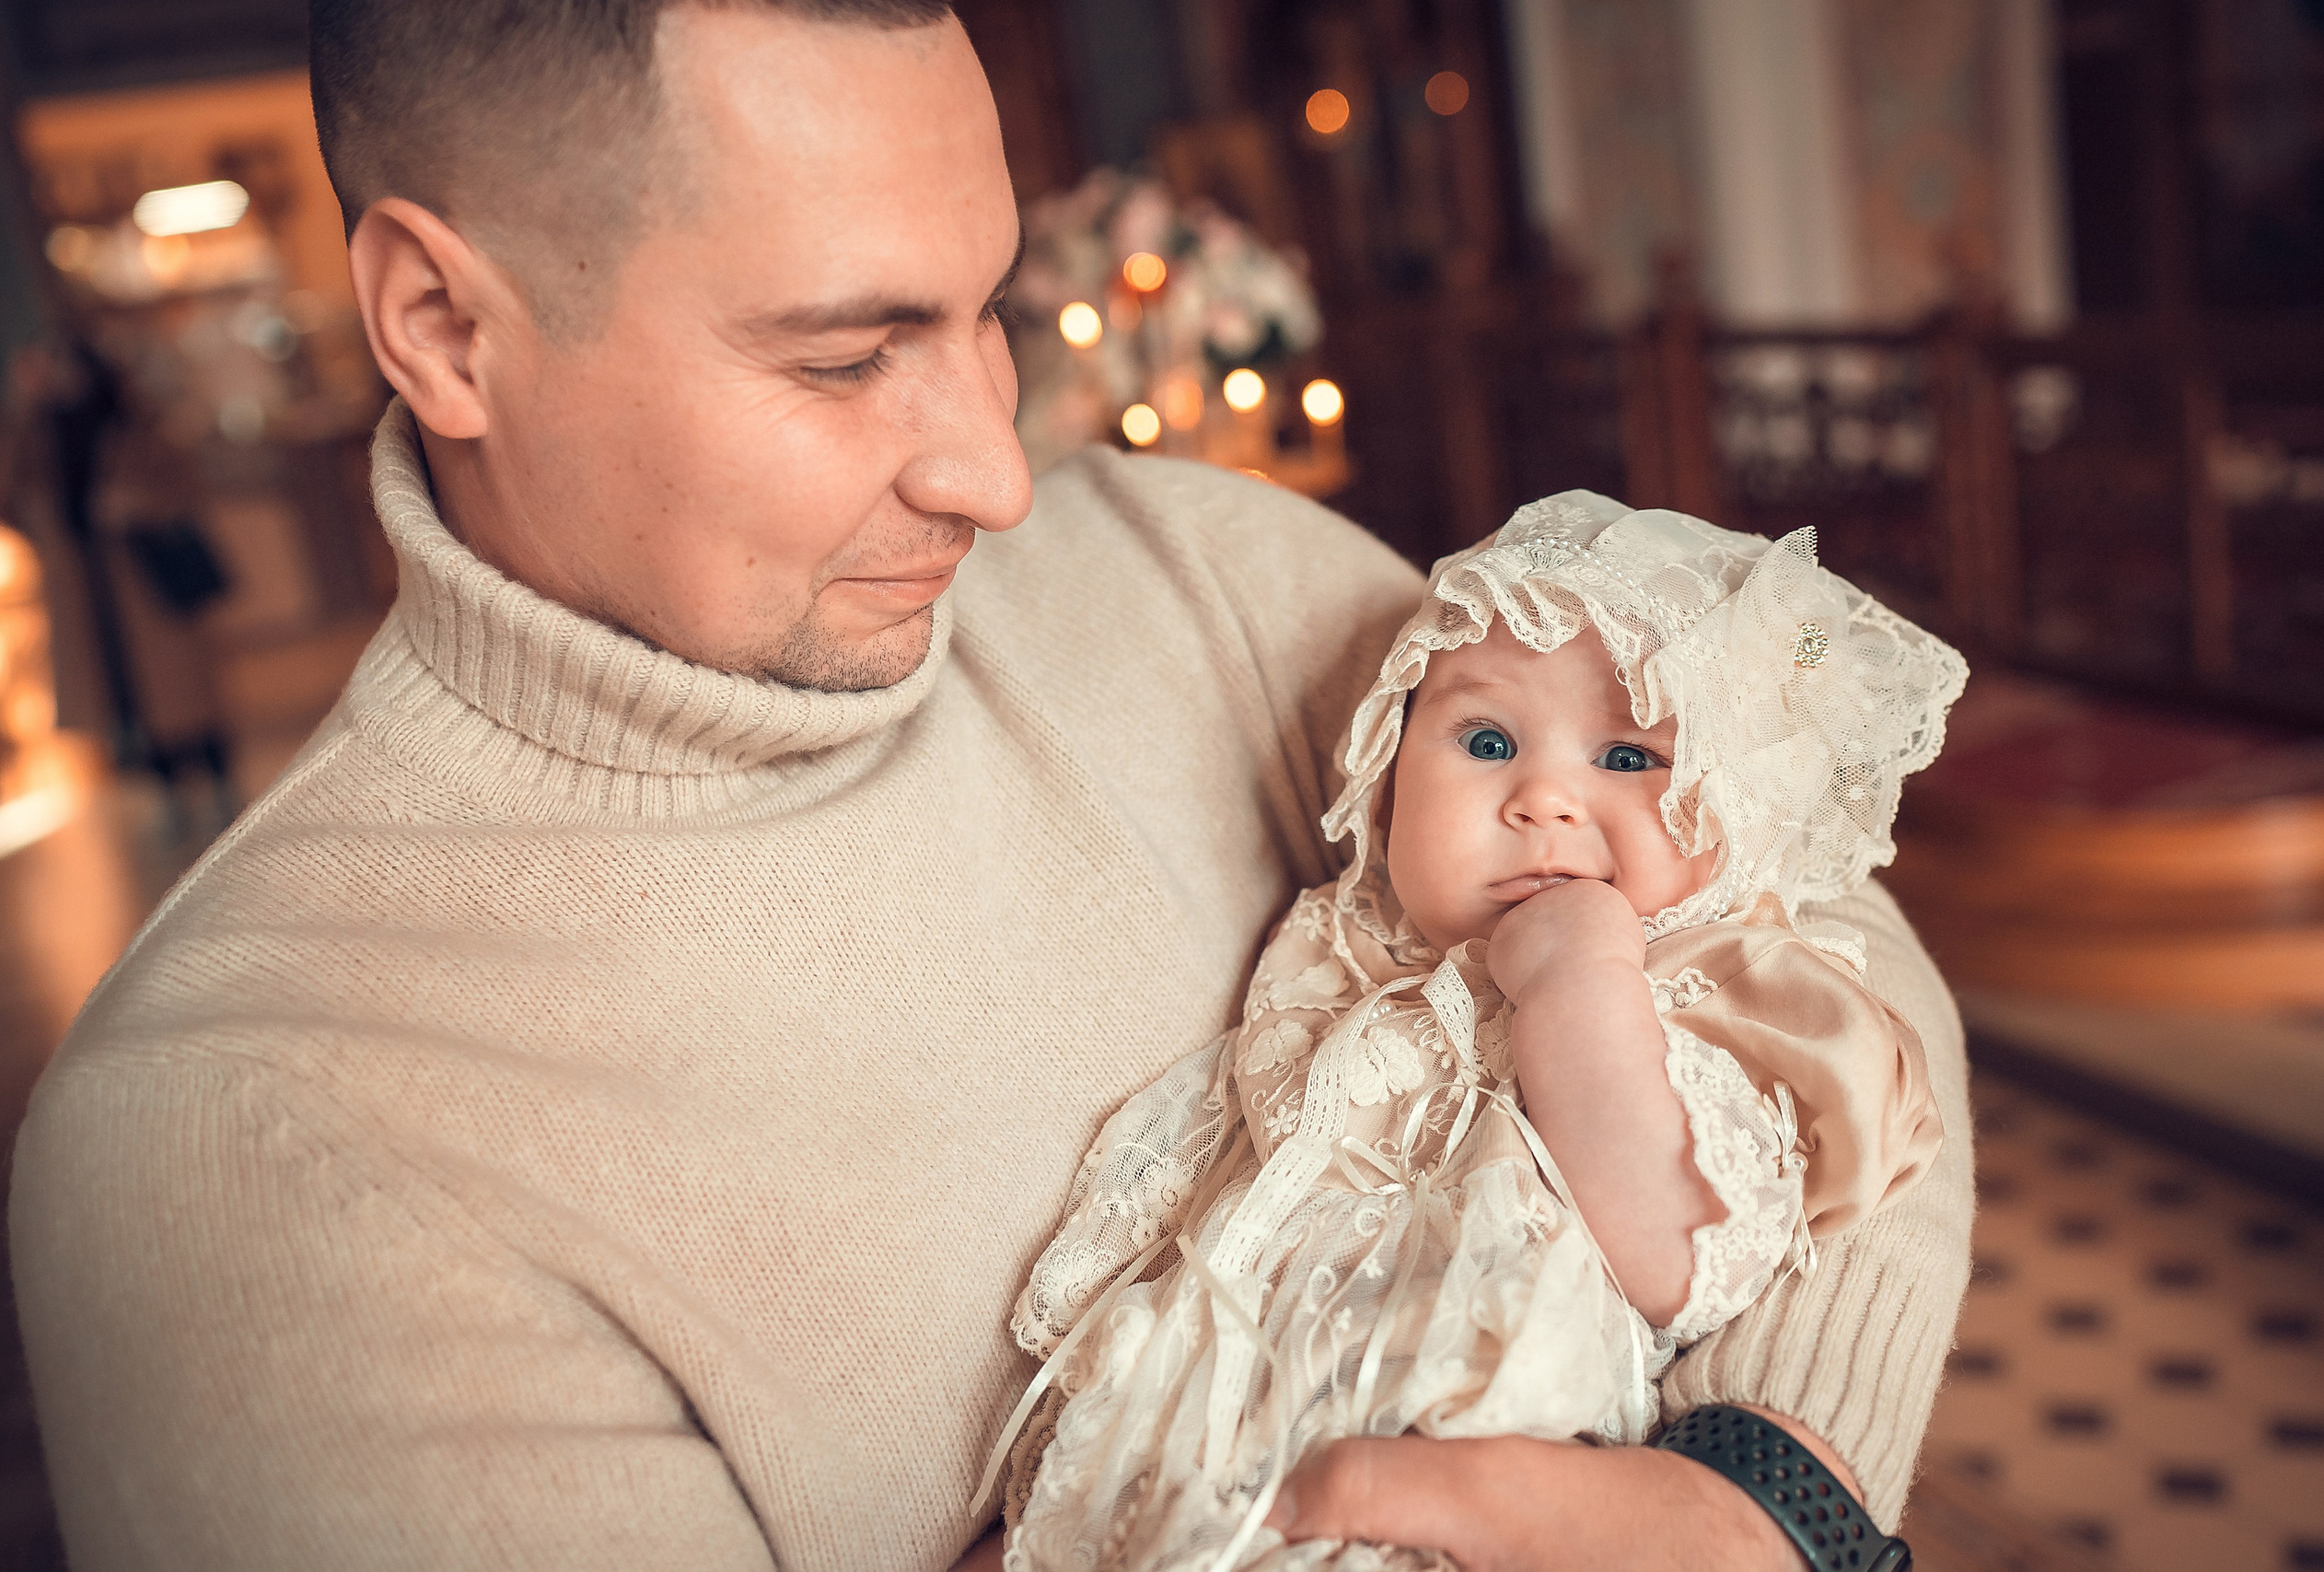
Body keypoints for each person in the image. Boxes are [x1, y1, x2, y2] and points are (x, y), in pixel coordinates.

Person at [7, 4, 1974, 1569]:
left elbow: (1812, 923)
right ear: (443, 324)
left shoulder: (1195, 569)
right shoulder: (245, 1147)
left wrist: (1769, 1480)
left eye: (986, 315)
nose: (994, 471)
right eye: (848, 357)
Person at [995, 499, 1961, 1571]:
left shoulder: (1716, 986)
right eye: (1487, 742)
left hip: (1488, 1440)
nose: (1544, 798)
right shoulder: (1349, 941)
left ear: (1742, 809)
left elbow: (1668, 1261)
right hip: (1218, 1404)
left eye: (1631, 757)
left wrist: (1580, 984)